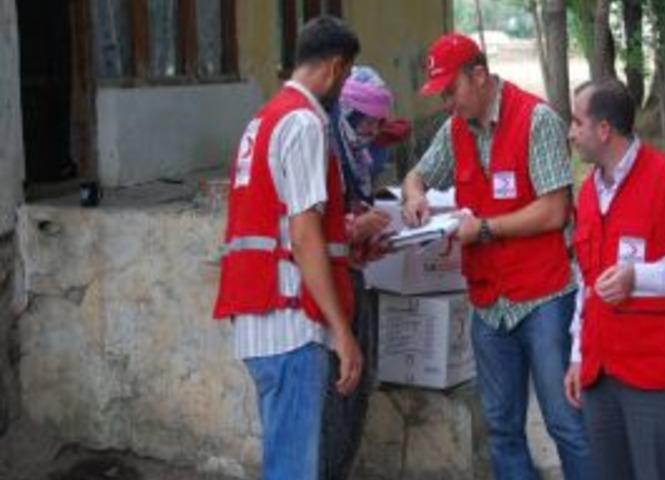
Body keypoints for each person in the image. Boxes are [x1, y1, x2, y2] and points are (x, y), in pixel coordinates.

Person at [401, 33, 593, 480]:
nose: (447, 103)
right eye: (441, 94)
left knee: (566, 424)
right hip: (489, 304)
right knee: (503, 429)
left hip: (542, 296)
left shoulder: (536, 120)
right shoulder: (454, 131)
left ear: (480, 75)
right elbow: (417, 175)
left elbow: (554, 210)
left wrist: (485, 228)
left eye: (452, 91)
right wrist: (414, 198)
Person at [211, 16, 363, 480]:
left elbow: (280, 224)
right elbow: (302, 234)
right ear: (336, 67)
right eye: (349, 74)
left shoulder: (266, 118)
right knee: (294, 469)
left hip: (261, 318)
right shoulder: (303, 124)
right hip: (291, 323)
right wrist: (343, 331)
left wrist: (350, 243)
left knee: (286, 460)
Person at [564, 78, 665, 480]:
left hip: (656, 374)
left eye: (576, 122)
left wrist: (639, 277)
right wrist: (577, 355)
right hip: (600, 374)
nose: (570, 132)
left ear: (604, 130)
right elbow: (585, 280)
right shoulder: (588, 193)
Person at [320, 65, 411, 479]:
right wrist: (354, 228)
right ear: (350, 113)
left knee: (358, 388)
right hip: (323, 293)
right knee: (332, 395)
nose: (374, 131)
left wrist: (366, 239)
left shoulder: (358, 151)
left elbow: (350, 211)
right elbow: (306, 229)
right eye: (369, 121)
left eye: (379, 123)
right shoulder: (324, 143)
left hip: (352, 277)